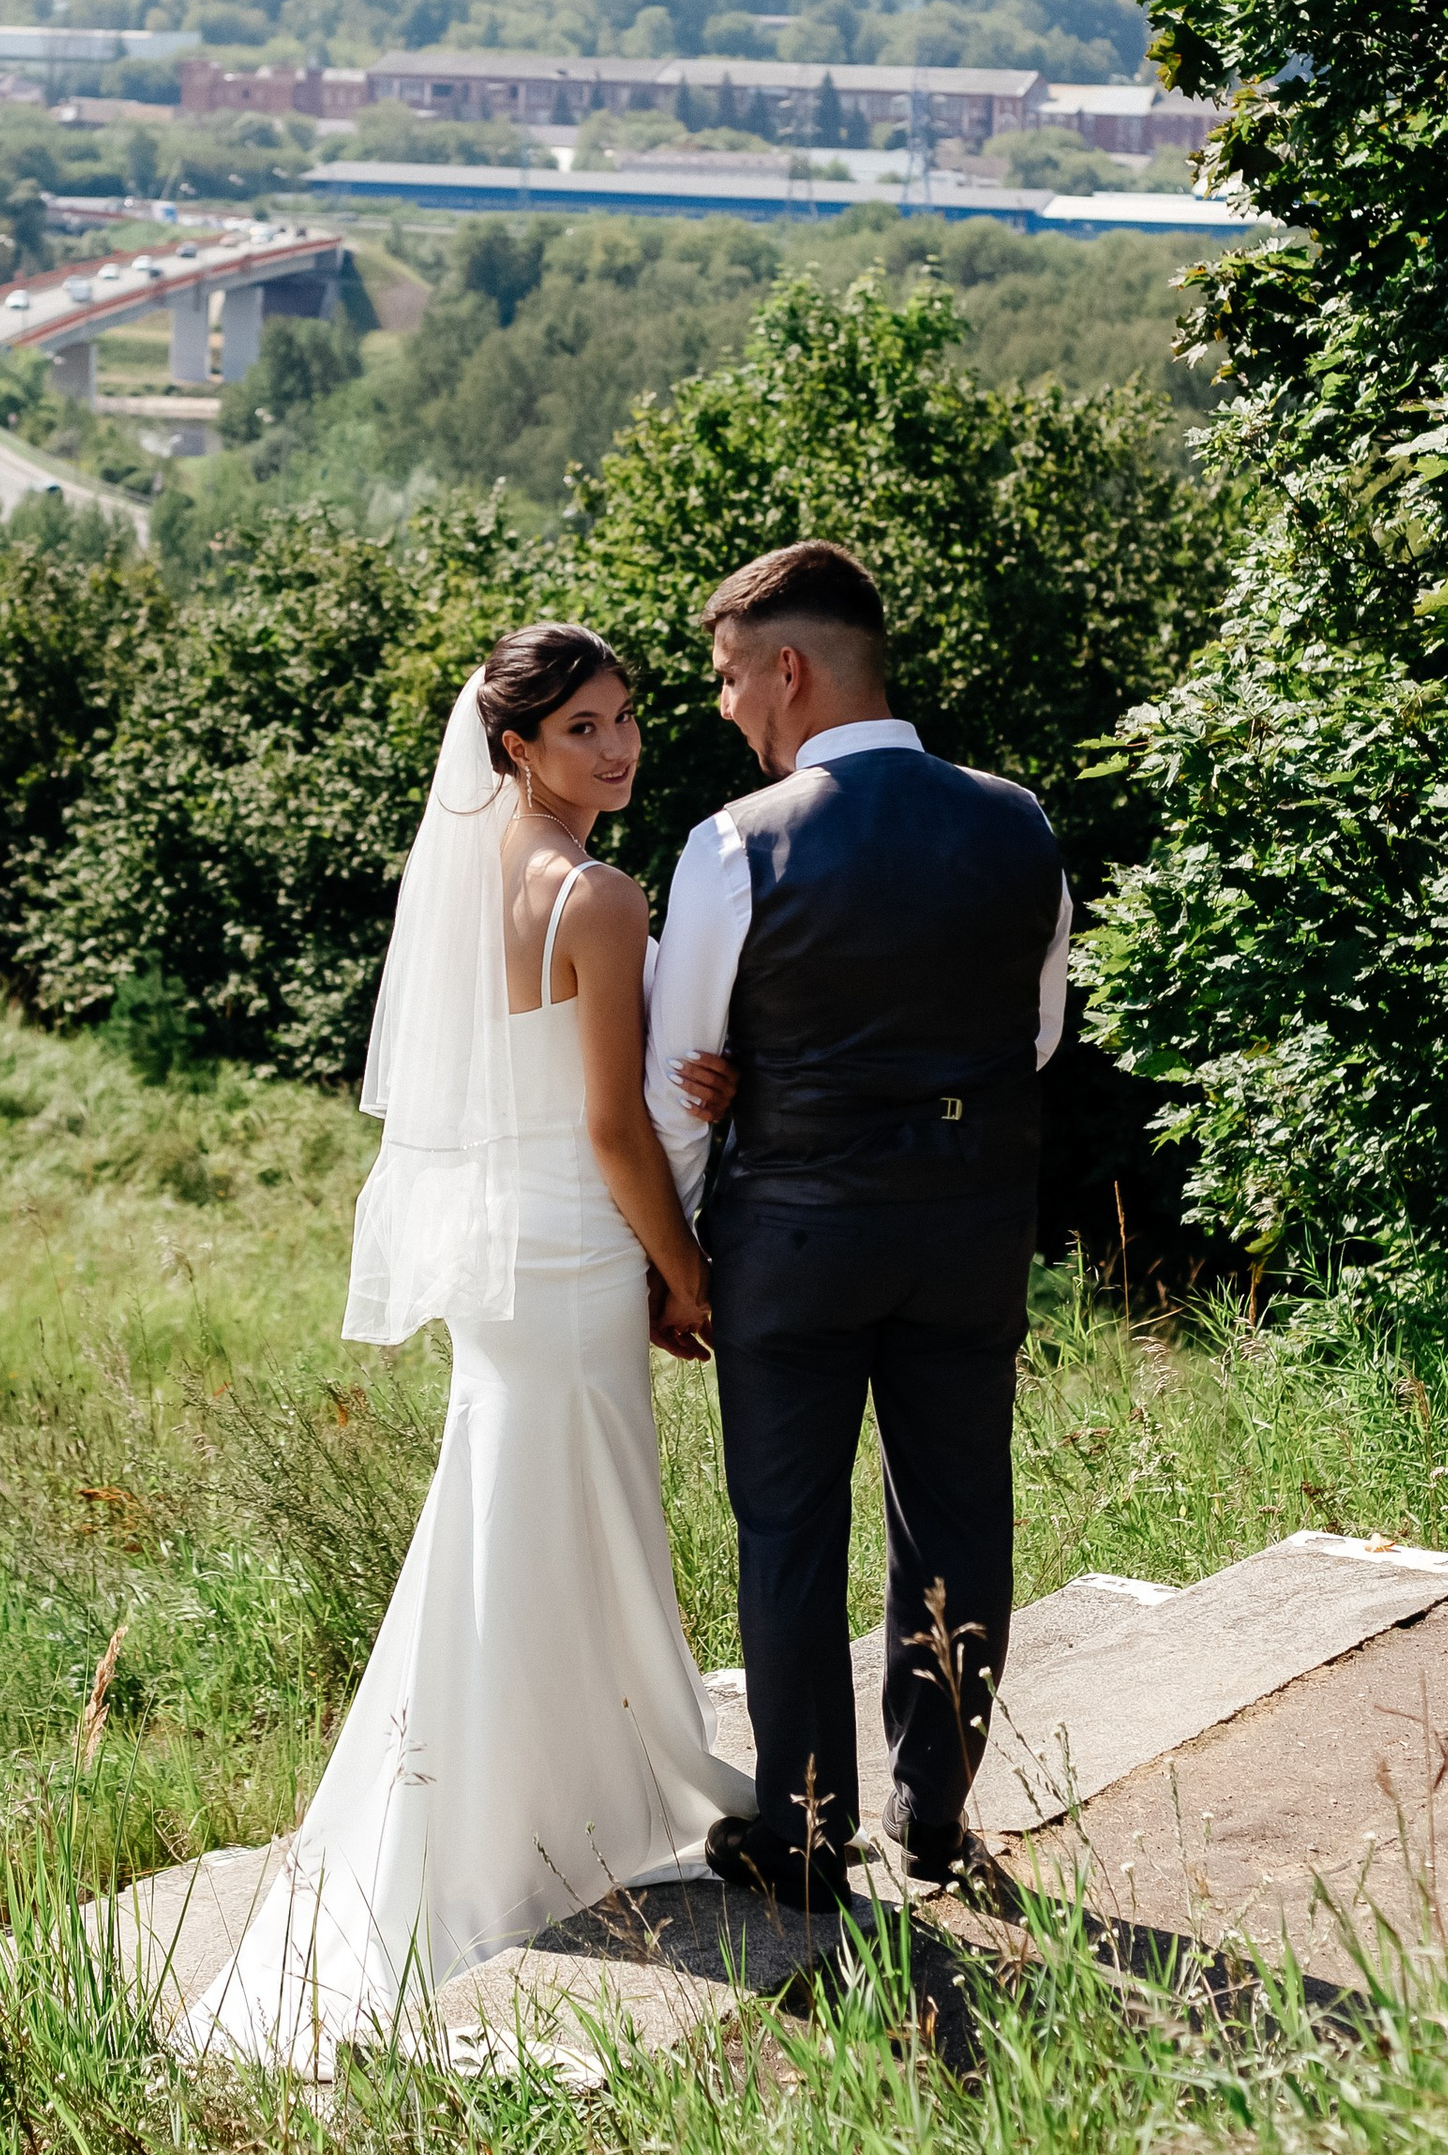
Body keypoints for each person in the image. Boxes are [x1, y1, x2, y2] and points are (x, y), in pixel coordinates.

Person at [175, 622, 753, 2070]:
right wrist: (684, 1277)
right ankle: (536, 1839)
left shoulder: (467, 875)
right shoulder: (600, 894)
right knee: (564, 1526)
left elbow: (533, 1088)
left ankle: (542, 1809)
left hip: (506, 1258)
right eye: (582, 731)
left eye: (625, 720)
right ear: (513, 746)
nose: (618, 749)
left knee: (520, 1529)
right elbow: (614, 1126)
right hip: (567, 1257)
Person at [645, 541, 1069, 1907]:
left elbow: (680, 1079)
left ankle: (807, 1832)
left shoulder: (734, 845)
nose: (722, 710)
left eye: (726, 680)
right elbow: (1038, 1039)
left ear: (790, 671)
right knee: (959, 1517)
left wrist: (681, 1258)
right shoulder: (1021, 823)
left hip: (796, 1238)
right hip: (968, 1226)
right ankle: (935, 1822)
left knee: (788, 1530)